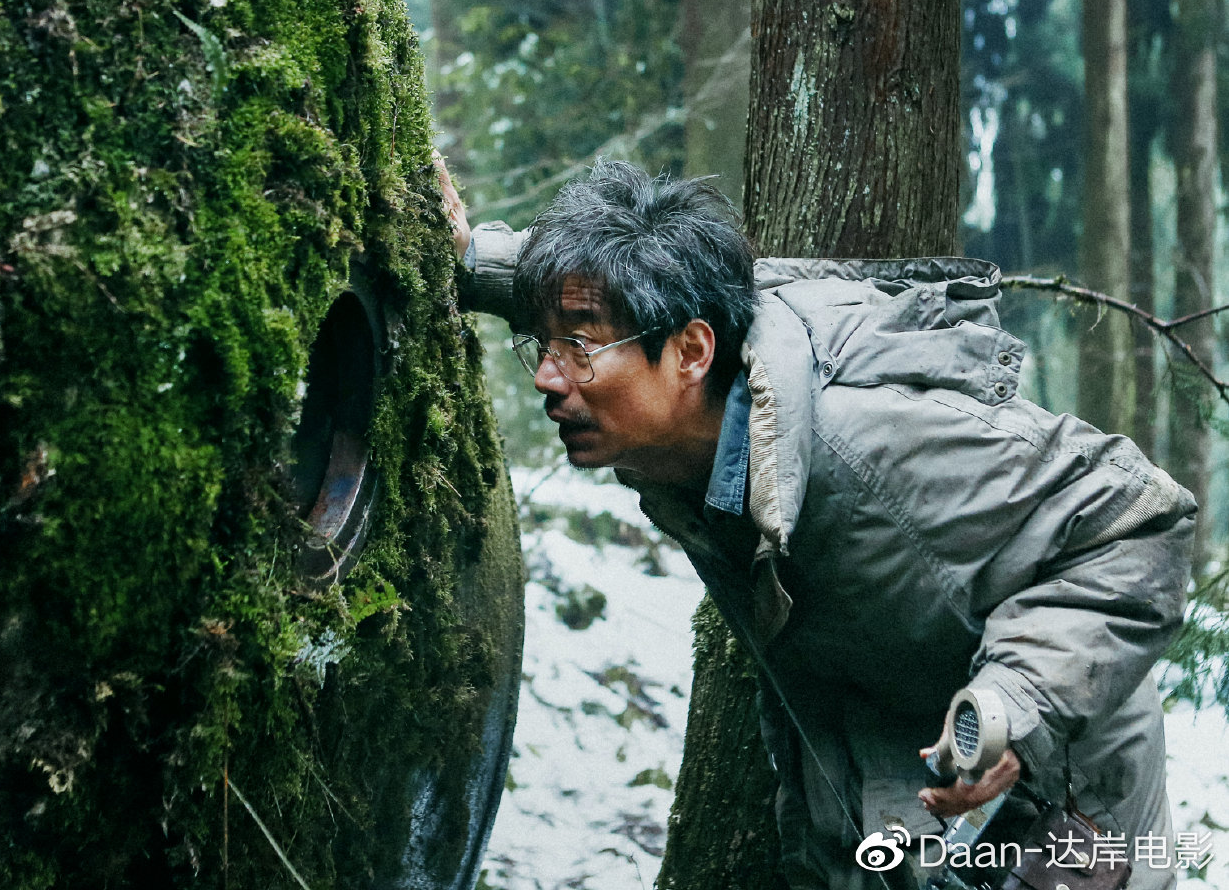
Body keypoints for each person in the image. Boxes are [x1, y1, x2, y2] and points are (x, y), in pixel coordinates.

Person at [438, 157, 1195, 890]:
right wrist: (470, 259)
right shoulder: (702, 402)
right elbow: (620, 293)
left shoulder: (870, 442)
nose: (547, 375)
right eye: (544, 342)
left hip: (1062, 817)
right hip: (890, 794)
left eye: (577, 344)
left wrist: (1018, 705)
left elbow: (1138, 522)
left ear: (693, 352)